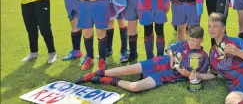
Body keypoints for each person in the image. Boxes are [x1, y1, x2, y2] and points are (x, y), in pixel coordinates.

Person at [75, 26, 209, 93]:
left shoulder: (203, 56)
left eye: (194, 40)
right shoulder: (183, 43)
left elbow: (201, 75)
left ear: (201, 39)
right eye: (190, 39)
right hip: (157, 63)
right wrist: (171, 56)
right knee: (124, 70)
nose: (190, 43)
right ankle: (94, 74)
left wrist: (190, 75)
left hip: (164, 76)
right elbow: (170, 48)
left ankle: (109, 80)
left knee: (135, 87)